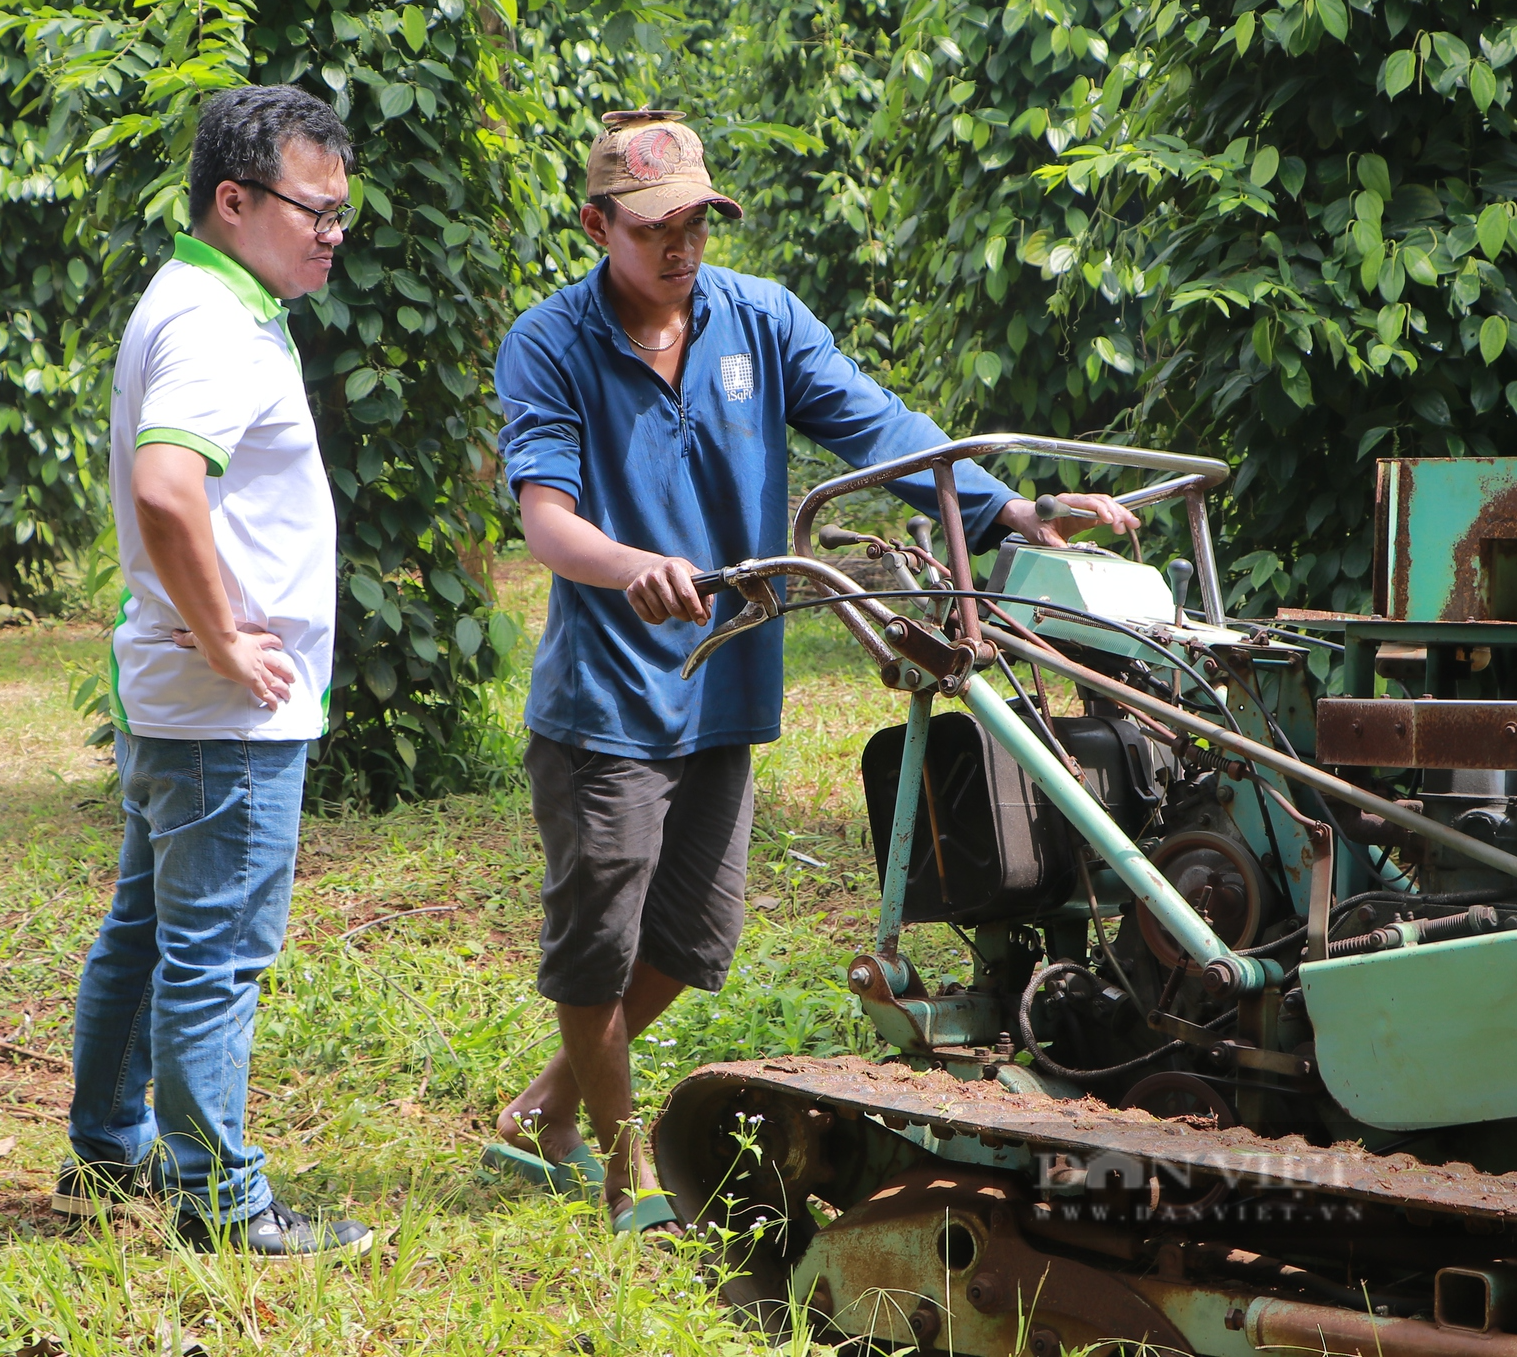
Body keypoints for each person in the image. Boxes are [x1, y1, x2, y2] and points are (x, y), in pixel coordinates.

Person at [485, 109, 1140, 1236]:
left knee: (693, 938)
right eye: (653, 228)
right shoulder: (549, 341)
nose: (681, 246)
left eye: (695, 220)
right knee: (596, 940)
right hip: (609, 695)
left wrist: (1010, 508)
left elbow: (877, 427)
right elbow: (545, 515)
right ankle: (621, 1165)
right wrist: (630, 564)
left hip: (727, 673)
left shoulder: (759, 320)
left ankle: (544, 1100)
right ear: (597, 225)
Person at [51, 85, 372, 1259]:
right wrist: (234, 640)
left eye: (344, 210)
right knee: (216, 953)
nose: (332, 229)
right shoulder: (213, 324)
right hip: (225, 715)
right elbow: (164, 485)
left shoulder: (209, 300)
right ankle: (217, 1198)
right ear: (232, 200)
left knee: (144, 929)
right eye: (312, 208)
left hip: (182, 704)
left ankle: (106, 1147)